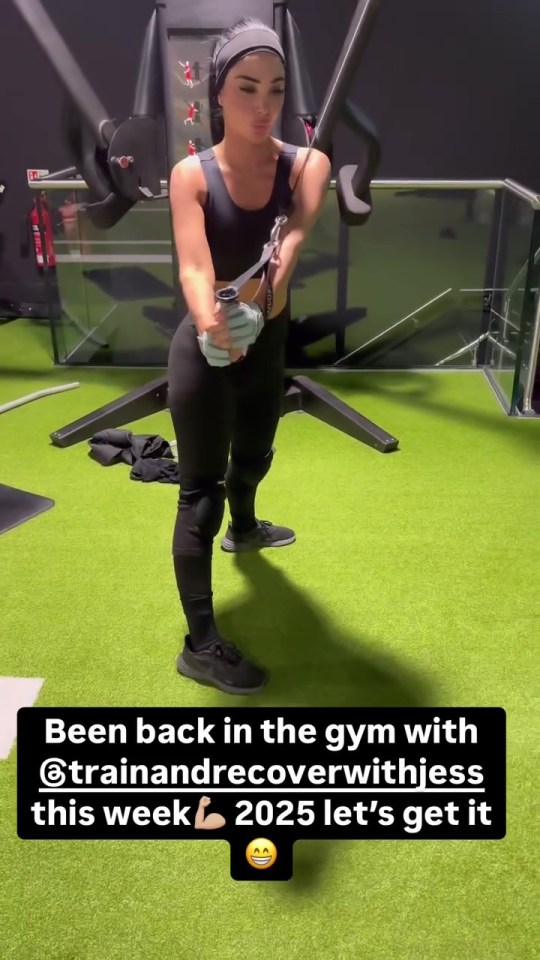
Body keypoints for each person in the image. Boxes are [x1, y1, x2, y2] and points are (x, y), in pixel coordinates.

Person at [167, 17, 331, 696]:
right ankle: (200, 644)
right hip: (207, 352)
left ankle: (248, 527)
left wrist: (262, 299)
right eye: (246, 89)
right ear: (218, 95)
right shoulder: (190, 175)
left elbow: (292, 237)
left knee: (257, 455)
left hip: (265, 343)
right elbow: (195, 266)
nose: (263, 106)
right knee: (198, 493)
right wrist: (212, 319)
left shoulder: (307, 164)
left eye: (275, 89)